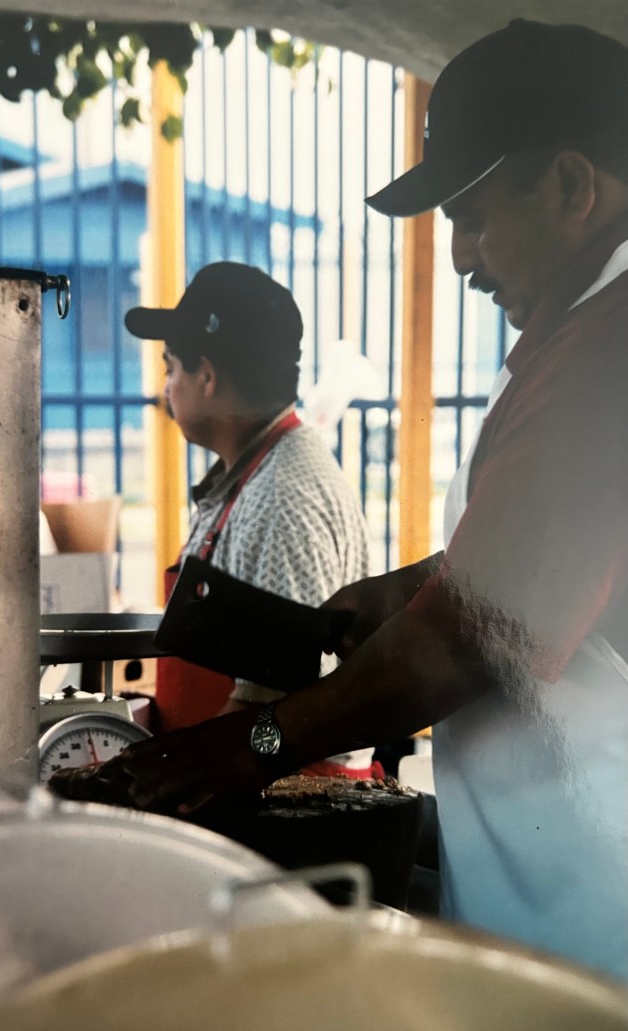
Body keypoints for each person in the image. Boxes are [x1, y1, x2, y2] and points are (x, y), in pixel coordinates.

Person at [113, 21, 628, 981]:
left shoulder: (606, 356)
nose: (461, 254)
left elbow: (482, 630)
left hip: (597, 902)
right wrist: (402, 591)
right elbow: (552, 564)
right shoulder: (573, 340)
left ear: (569, 185)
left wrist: (260, 740)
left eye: (472, 215)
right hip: (548, 885)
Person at [125, 261, 379, 778]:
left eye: (171, 368)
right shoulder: (251, 475)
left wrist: (166, 779)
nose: (166, 388)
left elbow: (276, 709)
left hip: (281, 803)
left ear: (209, 377)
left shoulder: (281, 499)